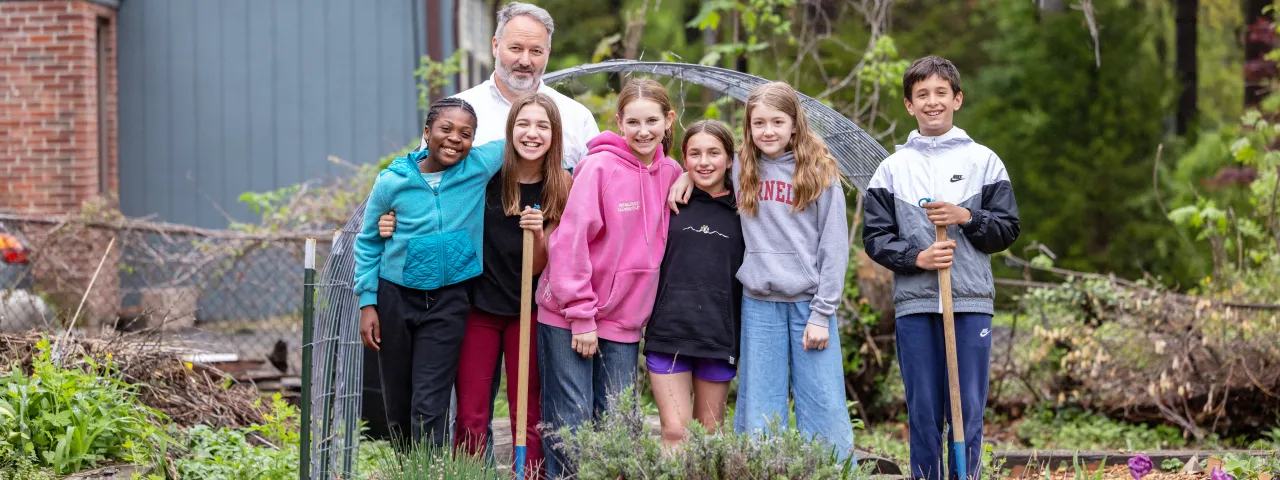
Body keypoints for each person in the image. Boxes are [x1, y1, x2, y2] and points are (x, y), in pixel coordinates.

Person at [668, 81, 855, 460]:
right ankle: (760, 468)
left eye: (777, 122)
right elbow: (708, 166)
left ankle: (832, 470)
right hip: (758, 304)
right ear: (748, 127)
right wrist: (685, 175)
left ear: (795, 124)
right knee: (760, 403)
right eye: (759, 123)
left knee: (823, 399)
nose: (768, 131)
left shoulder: (820, 171)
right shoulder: (742, 167)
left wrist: (822, 313)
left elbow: (834, 247)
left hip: (810, 306)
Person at [861, 55, 1020, 480]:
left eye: (940, 93)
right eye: (922, 95)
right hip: (916, 305)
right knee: (924, 411)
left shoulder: (984, 161)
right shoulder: (892, 170)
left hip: (969, 302)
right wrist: (918, 258)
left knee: (966, 409)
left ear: (957, 99)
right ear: (909, 105)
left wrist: (966, 216)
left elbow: (1006, 230)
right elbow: (875, 238)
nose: (932, 102)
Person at [536, 77, 682, 478]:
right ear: (619, 122)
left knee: (619, 422)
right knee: (571, 420)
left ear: (669, 120)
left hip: (625, 320)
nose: (643, 131)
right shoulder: (599, 167)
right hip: (569, 313)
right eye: (633, 122)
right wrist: (581, 315)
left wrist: (684, 175)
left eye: (652, 121)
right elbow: (570, 242)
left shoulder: (672, 173)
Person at [353, 97, 505, 447]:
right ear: (426, 132)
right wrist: (368, 302)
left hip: (449, 301)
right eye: (445, 129)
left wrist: (566, 171)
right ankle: (407, 467)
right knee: (398, 402)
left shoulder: (478, 167)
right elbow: (368, 242)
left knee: (429, 404)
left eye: (466, 134)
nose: (455, 139)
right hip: (395, 298)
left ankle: (430, 468)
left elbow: (527, 141)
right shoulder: (392, 182)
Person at [643, 119, 745, 448]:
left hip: (718, 334)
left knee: (708, 435)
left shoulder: (745, 207)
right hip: (668, 330)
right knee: (675, 431)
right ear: (683, 158)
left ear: (730, 159)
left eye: (714, 153)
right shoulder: (670, 199)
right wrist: (683, 177)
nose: (704, 162)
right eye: (695, 154)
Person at [422, 2, 599, 172]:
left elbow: (598, 184)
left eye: (536, 51)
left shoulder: (577, 118)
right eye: (516, 48)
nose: (525, 61)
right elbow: (425, 179)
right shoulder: (455, 112)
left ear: (548, 53)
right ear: (495, 46)